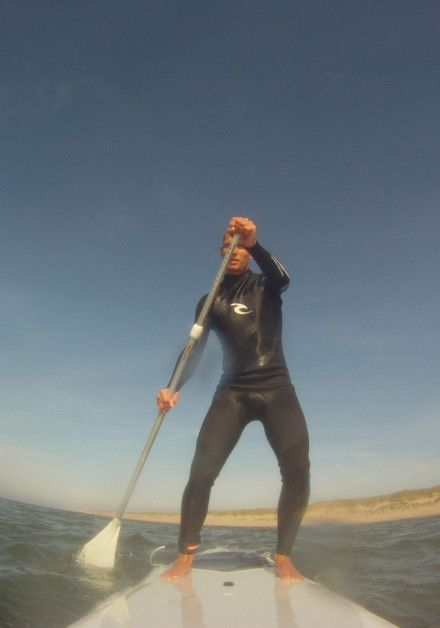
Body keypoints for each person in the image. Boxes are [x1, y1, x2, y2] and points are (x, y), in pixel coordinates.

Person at [157, 216, 310, 581]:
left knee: (298, 472)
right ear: (221, 253)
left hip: (277, 388)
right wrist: (172, 385)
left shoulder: (266, 285)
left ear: (249, 252)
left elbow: (285, 278)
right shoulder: (210, 299)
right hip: (232, 392)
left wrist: (256, 242)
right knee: (201, 473)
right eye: (229, 246)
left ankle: (284, 556)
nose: (235, 251)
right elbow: (195, 347)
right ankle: (186, 554)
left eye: (241, 247)